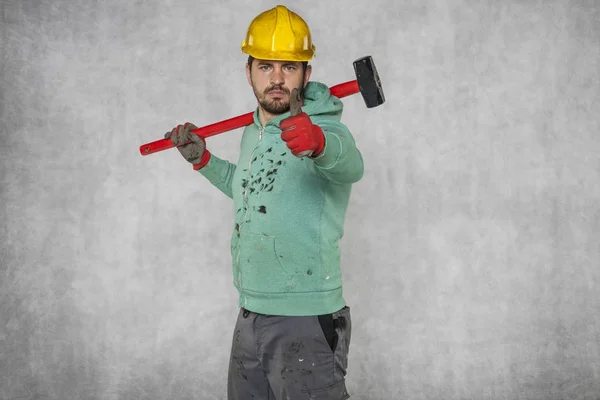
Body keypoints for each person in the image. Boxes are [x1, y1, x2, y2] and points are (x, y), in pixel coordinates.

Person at [165, 5, 363, 399]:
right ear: (248, 71)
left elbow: (350, 165)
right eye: (265, 66)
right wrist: (202, 161)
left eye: (289, 67)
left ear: (307, 72)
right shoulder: (253, 132)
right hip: (251, 312)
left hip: (303, 316)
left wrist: (319, 144)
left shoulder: (324, 125)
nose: (276, 78)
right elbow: (248, 189)